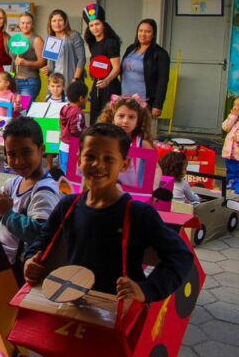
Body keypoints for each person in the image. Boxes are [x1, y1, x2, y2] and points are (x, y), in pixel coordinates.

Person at [24, 124, 194, 304]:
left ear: (125, 164)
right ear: (78, 160)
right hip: (71, 305)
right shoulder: (67, 206)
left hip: (119, 310)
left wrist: (146, 290)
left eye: (109, 158)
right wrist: (29, 261)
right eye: (90, 156)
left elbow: (181, 256)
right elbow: (41, 243)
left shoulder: (139, 214)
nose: (98, 164)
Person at [0, 117, 60, 284]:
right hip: (4, 263)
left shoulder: (44, 191)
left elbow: (39, 232)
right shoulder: (14, 183)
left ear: (41, 150)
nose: (19, 161)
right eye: (12, 154)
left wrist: (6, 213)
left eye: (26, 152)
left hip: (22, 269)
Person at [97, 94, 158, 188]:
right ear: (113, 117)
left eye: (131, 117)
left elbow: (156, 167)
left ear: (138, 121)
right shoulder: (104, 140)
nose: (125, 121)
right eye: (121, 116)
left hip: (132, 194)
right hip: (106, 189)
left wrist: (154, 187)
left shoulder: (142, 144)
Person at [122, 19, 171, 118]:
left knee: (142, 132)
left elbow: (163, 81)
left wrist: (158, 105)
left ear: (153, 34)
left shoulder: (160, 54)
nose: (143, 34)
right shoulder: (131, 48)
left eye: (147, 31)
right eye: (140, 30)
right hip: (125, 100)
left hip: (144, 102)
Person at [83, 4, 122, 124]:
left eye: (97, 24)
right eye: (91, 25)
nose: (95, 28)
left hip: (110, 86)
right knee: (95, 119)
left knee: (108, 120)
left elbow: (116, 67)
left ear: (103, 25)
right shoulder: (93, 43)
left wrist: (107, 80)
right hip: (97, 85)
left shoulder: (110, 43)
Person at [40, 9, 86, 86]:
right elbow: (51, 63)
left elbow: (82, 59)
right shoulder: (51, 39)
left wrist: (76, 79)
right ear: (50, 23)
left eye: (60, 20)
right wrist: (48, 69)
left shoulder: (74, 36)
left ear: (65, 22)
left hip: (71, 79)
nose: (57, 23)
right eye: (54, 21)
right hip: (55, 81)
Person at [13, 12, 46, 101]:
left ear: (32, 24)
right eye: (23, 23)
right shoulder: (16, 39)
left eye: (28, 23)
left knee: (25, 109)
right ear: (19, 24)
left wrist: (26, 63)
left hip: (29, 82)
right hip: (15, 82)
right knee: (16, 111)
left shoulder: (37, 40)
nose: (25, 26)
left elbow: (43, 62)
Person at [58, 81, 89, 173]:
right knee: (72, 174)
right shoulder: (77, 113)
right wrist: (86, 132)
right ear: (81, 98)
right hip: (72, 147)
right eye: (86, 96)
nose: (88, 99)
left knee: (64, 172)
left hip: (63, 145)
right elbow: (75, 131)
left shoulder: (65, 108)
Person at [221, 97, 239, 193]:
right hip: (229, 154)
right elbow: (225, 127)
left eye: (238, 106)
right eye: (234, 105)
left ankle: (237, 191)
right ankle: (230, 187)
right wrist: (233, 116)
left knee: (237, 174)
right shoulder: (233, 118)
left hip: (237, 155)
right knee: (230, 172)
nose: (236, 108)